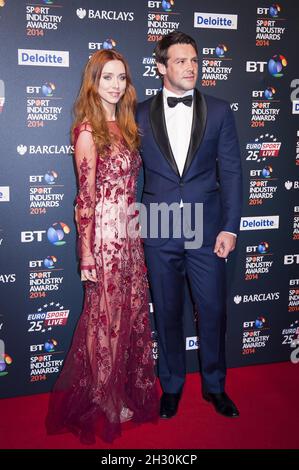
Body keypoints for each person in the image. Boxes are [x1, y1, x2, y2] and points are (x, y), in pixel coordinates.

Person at [46, 50, 158, 444]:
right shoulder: (87, 131)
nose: (115, 84)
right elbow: (85, 199)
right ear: (93, 82)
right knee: (102, 318)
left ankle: (115, 390)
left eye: (121, 78)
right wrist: (87, 252)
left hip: (129, 234)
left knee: (126, 315)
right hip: (105, 238)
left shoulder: (126, 127)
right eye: (107, 77)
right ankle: (100, 396)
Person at [136, 31, 242, 419]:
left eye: (194, 60)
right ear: (161, 67)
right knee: (166, 310)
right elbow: (129, 175)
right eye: (181, 61)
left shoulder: (218, 110)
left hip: (207, 228)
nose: (191, 67)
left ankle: (214, 386)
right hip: (159, 226)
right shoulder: (137, 112)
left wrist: (230, 227)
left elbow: (231, 171)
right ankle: (172, 386)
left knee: (213, 309)